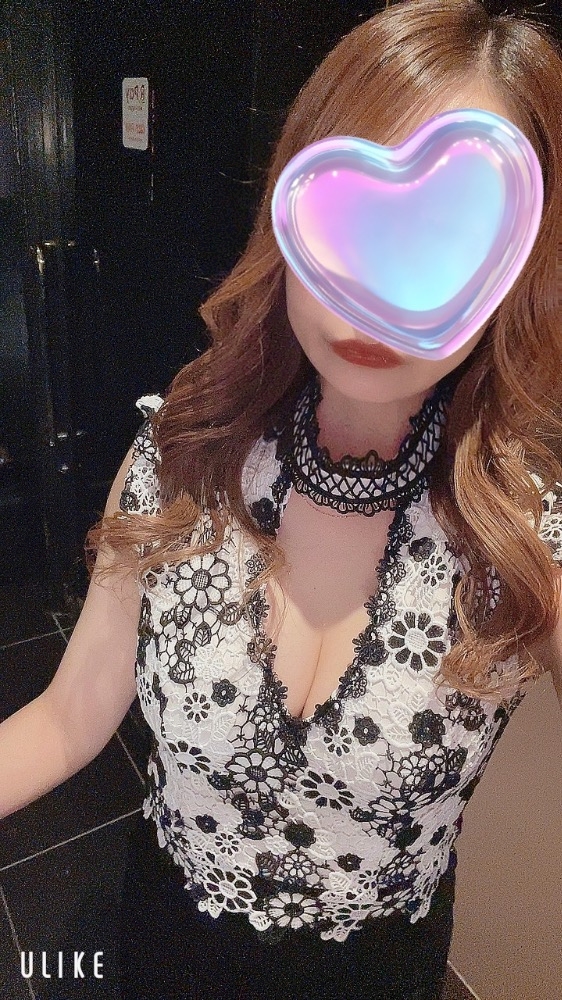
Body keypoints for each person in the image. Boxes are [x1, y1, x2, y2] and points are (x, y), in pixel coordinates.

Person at [2, 1, 562, 997]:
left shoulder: (526, 532)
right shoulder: (184, 455)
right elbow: (72, 713)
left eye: (443, 237)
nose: (373, 293)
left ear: (516, 268)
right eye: (351, 218)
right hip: (165, 943)